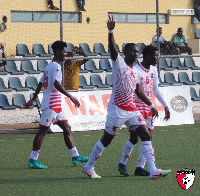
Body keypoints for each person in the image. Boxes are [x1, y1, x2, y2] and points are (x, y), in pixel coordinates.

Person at [82, 16, 171, 179]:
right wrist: (110, 31)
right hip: (117, 109)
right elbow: (112, 49)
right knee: (106, 140)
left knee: (145, 135)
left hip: (131, 109)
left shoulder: (135, 71)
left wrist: (151, 105)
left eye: (137, 51)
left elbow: (138, 90)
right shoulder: (119, 64)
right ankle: (88, 167)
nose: (135, 53)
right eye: (132, 51)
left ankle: (153, 170)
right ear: (125, 52)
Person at [24, 41, 89, 169]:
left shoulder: (49, 66)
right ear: (58, 52)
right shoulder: (56, 67)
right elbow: (56, 84)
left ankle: (75, 156)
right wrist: (71, 97)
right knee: (42, 131)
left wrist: (33, 99)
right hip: (51, 105)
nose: (66, 54)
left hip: (56, 105)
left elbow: (40, 83)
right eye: (65, 52)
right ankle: (33, 159)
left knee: (67, 128)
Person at [118, 45, 170, 177]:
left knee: (148, 137)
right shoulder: (136, 70)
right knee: (134, 138)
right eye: (155, 55)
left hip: (148, 108)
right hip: (136, 108)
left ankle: (140, 167)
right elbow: (136, 90)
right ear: (147, 56)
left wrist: (165, 105)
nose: (157, 58)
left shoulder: (153, 69)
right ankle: (122, 163)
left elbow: (155, 89)